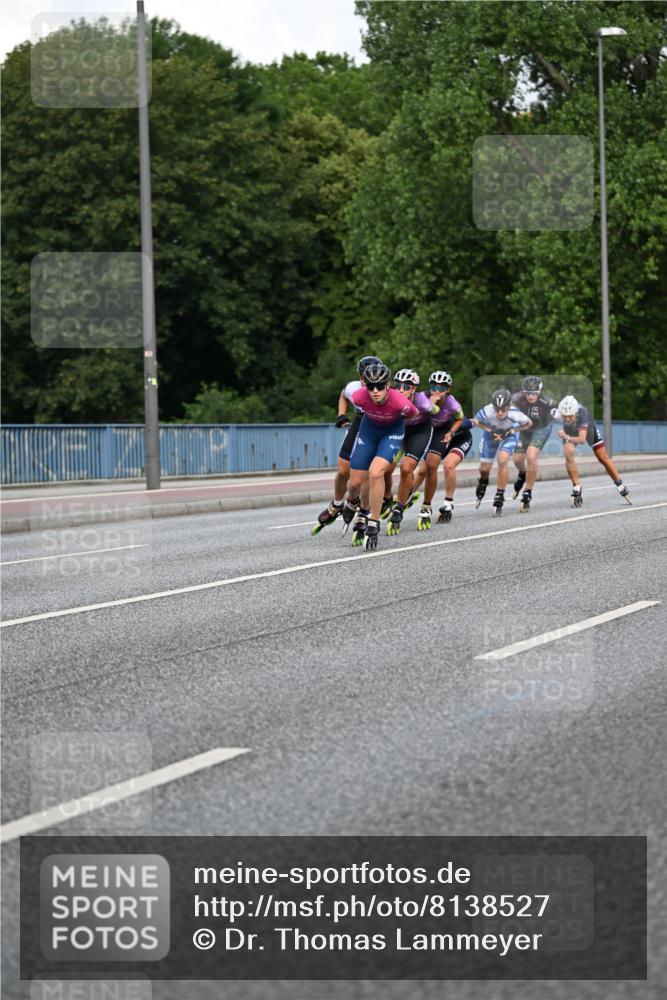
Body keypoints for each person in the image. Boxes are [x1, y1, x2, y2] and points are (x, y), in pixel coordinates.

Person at [346, 362, 420, 549]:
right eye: (371, 386)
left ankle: (373, 522)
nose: (375, 391)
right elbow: (343, 397)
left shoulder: (400, 402)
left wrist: (395, 420)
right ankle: (351, 501)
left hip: (392, 433)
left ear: (388, 385)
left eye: (380, 386)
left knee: (376, 472)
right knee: (355, 483)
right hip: (368, 432)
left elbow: (413, 413)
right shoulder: (358, 397)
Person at [311, 355, 386, 535]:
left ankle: (364, 511)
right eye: (362, 377)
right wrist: (341, 414)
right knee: (343, 471)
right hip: (360, 424)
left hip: (379, 428)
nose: (365, 382)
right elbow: (343, 395)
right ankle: (337, 504)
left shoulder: (384, 391)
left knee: (369, 474)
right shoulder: (353, 388)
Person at [411, 371, 471, 529]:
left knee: (448, 465)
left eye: (441, 388)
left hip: (456, 436)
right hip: (437, 435)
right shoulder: (423, 397)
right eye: (433, 386)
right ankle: (408, 494)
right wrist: (429, 403)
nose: (437, 390)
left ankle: (449, 502)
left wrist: (451, 432)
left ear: (448, 389)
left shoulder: (452, 404)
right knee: (424, 469)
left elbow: (461, 419)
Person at [385, 369, 437, 536]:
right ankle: (387, 499)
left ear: (413, 389)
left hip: (420, 432)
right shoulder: (391, 397)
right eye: (398, 385)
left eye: (406, 386)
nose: (401, 389)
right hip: (400, 432)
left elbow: (439, 412)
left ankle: (399, 508)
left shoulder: (422, 401)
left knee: (406, 468)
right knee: (385, 469)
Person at [554, 395, 631, 507]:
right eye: (565, 416)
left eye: (570, 416)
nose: (567, 419)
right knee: (568, 453)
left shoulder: (583, 414)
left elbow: (581, 439)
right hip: (570, 431)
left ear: (575, 412)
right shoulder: (556, 413)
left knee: (602, 458)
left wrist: (566, 436)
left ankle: (620, 484)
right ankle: (576, 487)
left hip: (587, 431)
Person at [473, 388, 532, 516]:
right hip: (491, 434)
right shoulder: (487, 410)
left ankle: (499, 495)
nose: (500, 412)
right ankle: (483, 482)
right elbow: (476, 421)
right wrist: (488, 430)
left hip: (508, 434)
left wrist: (514, 431)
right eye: (497, 409)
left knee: (502, 459)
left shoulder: (515, 413)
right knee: (484, 469)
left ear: (509, 406)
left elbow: (529, 423)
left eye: (503, 409)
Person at [510, 375, 559, 512]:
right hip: (526, 428)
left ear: (539, 391)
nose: (530, 396)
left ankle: (527, 492)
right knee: (517, 458)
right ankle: (522, 474)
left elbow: (559, 415)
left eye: (534, 393)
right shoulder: (516, 399)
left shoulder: (547, 401)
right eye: (528, 393)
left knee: (531, 456)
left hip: (542, 428)